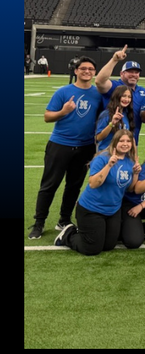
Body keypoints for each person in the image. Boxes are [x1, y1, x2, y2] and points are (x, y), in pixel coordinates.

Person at [29, 56, 104, 239]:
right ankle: (39, 223)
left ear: (94, 73)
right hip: (60, 145)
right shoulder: (64, 92)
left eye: (91, 69)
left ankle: (64, 219)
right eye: (83, 68)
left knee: (74, 186)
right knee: (49, 185)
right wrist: (63, 112)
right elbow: (47, 117)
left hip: (85, 147)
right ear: (76, 71)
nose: (87, 71)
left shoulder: (98, 94)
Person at [54, 129, 145, 255]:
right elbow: (93, 183)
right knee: (92, 249)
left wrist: (135, 174)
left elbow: (129, 188)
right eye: (121, 140)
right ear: (115, 142)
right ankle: (68, 234)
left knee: (108, 246)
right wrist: (109, 165)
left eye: (128, 141)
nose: (125, 143)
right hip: (91, 209)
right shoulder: (102, 158)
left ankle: (89, 233)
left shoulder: (130, 161)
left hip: (112, 210)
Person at [94, 46, 145, 147]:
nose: (134, 75)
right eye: (130, 72)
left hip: (131, 142)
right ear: (122, 73)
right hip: (110, 143)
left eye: (136, 72)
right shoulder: (116, 86)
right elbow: (99, 81)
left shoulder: (143, 91)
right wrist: (114, 60)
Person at [94, 84, 135, 152]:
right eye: (124, 96)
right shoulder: (106, 114)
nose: (127, 99)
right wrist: (112, 124)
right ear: (117, 97)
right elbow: (98, 137)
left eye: (129, 97)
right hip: (106, 154)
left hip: (122, 155)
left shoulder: (127, 114)